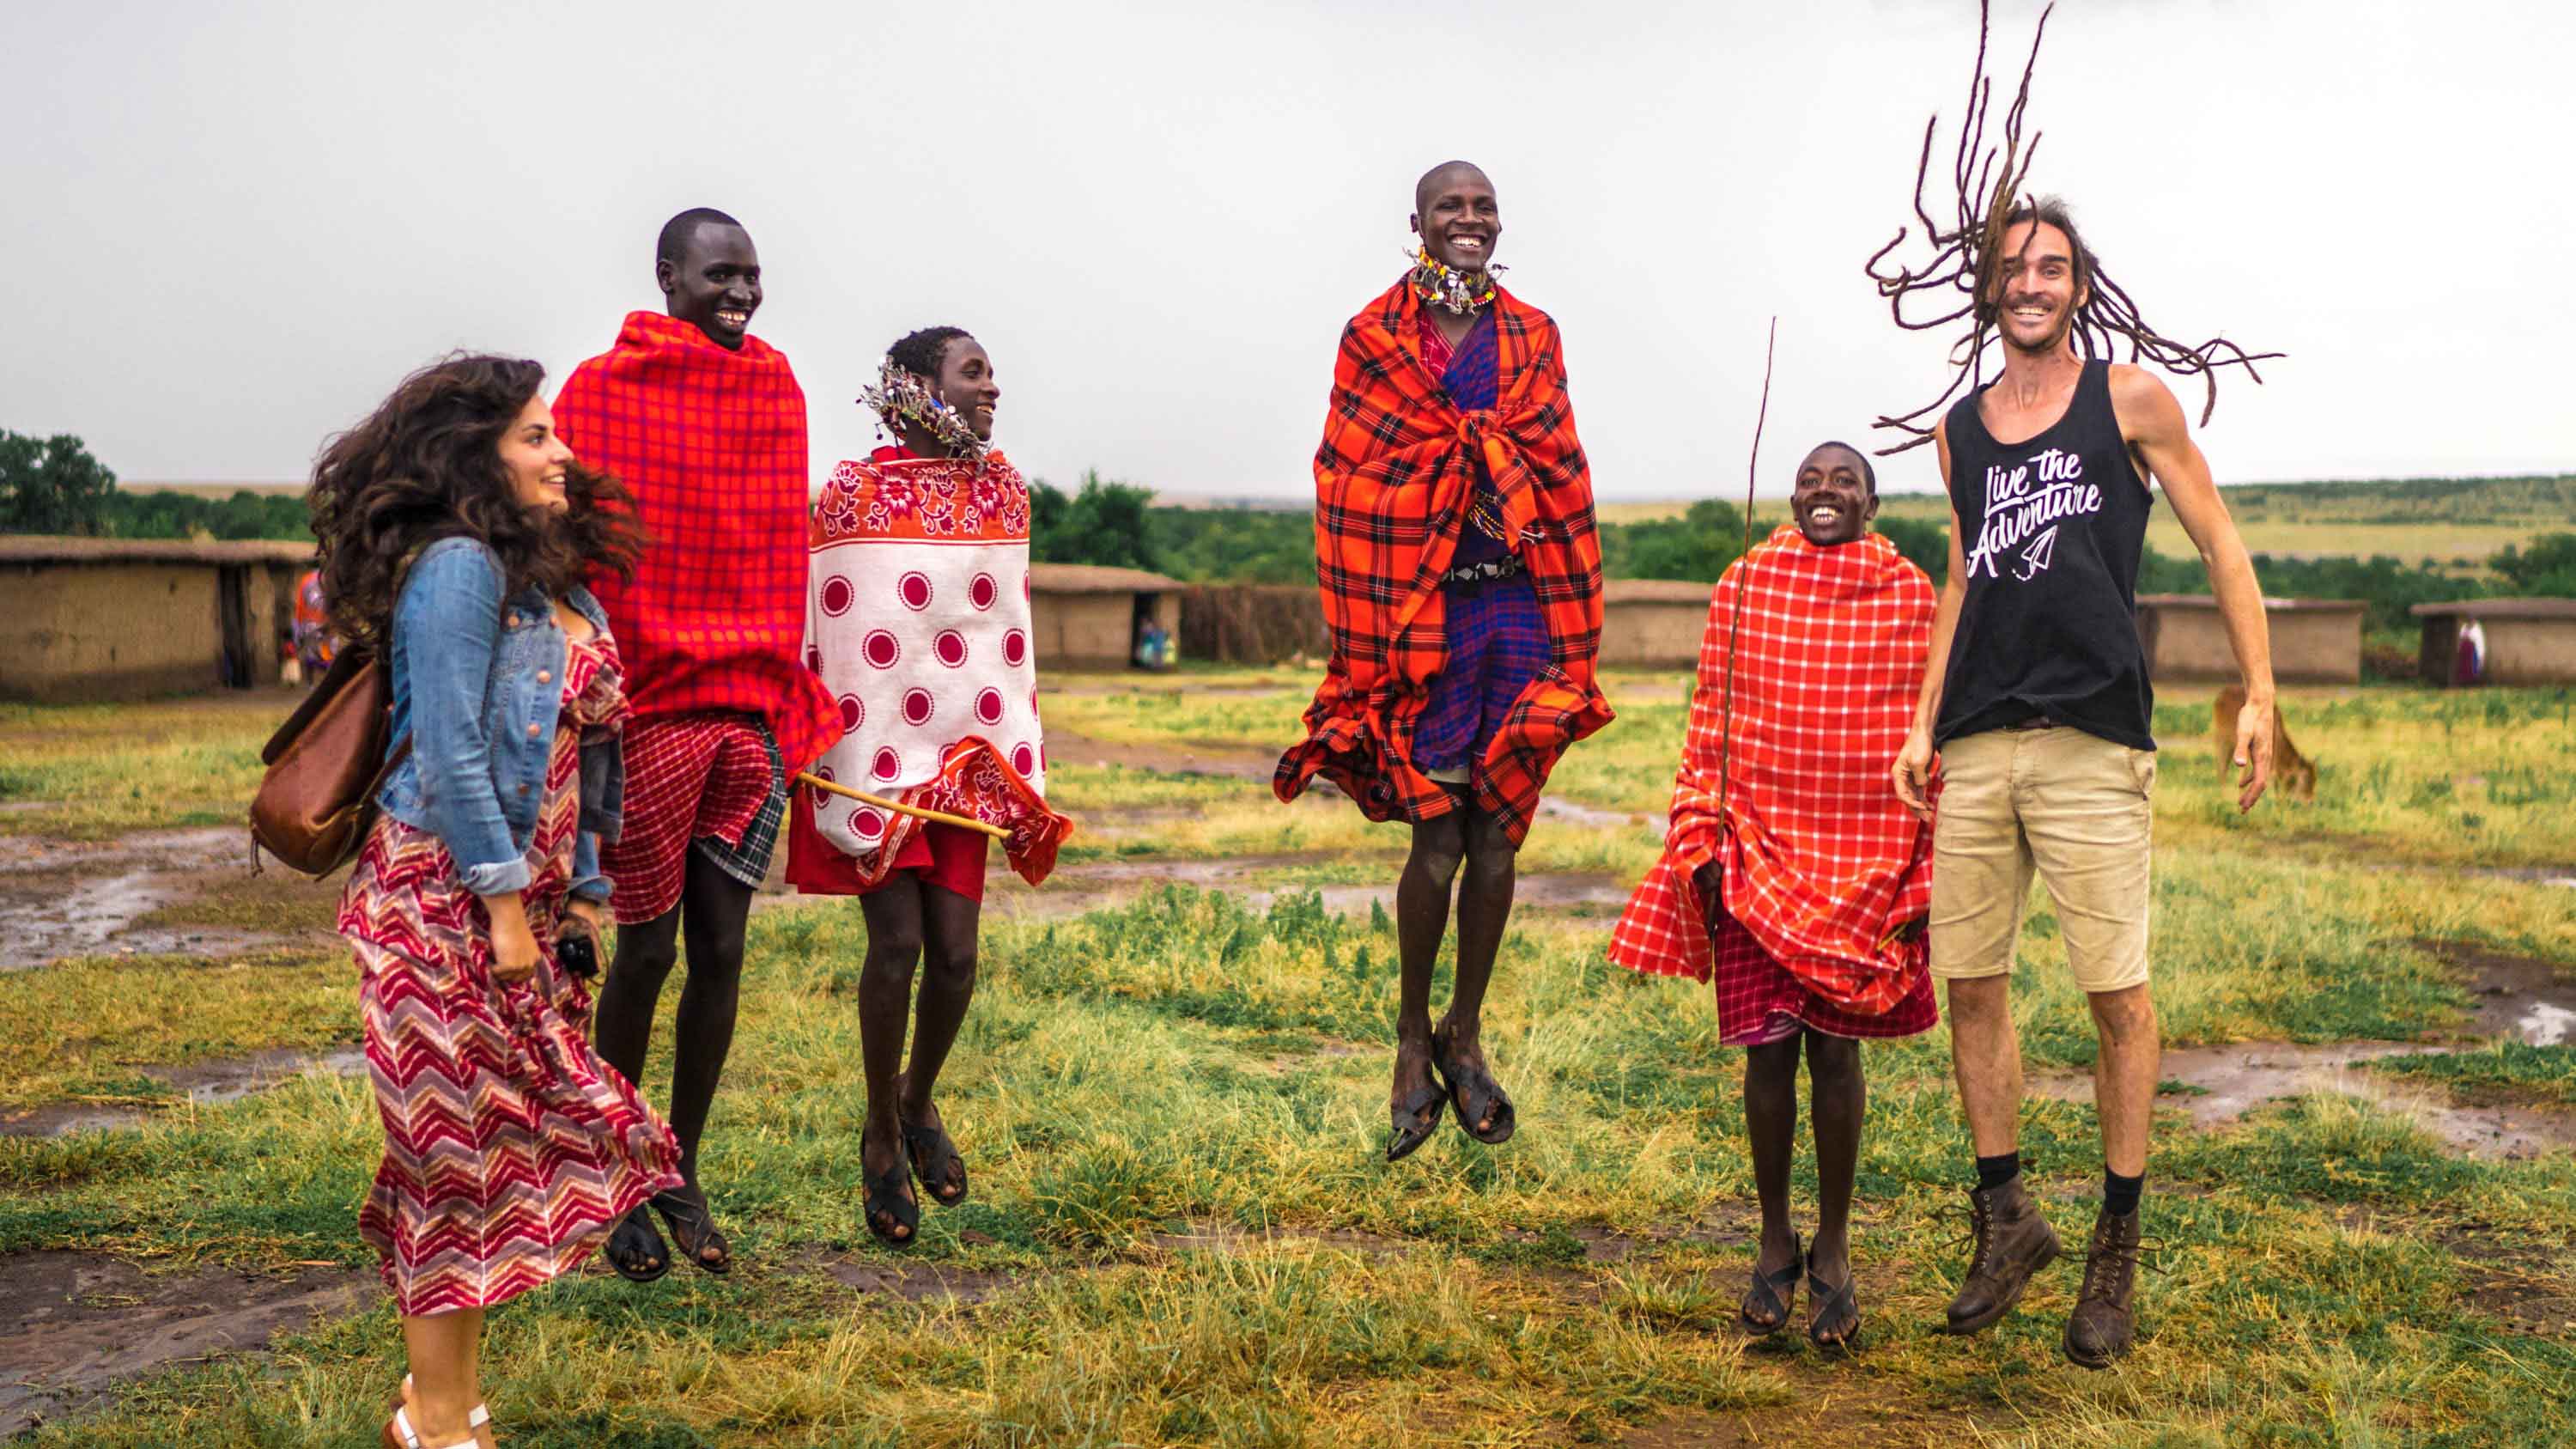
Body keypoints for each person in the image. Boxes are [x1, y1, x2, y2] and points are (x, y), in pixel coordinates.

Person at [1887, 198, 2277, 1367]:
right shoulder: (1959, 431)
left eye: (2052, 266)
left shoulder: (2129, 400)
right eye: (2013, 267)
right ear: (1990, 289)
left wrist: (2258, 687)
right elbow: (1963, 575)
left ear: (2079, 286)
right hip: (1978, 739)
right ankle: (2006, 1214)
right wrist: (1921, 723)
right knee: (1972, 984)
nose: (2031, 282)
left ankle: (2115, 1246)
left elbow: (2219, 538)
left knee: (2117, 995)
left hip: (2094, 738)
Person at [307, 354, 680, 1449]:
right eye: (533, 436)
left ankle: (448, 1405)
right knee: (448, 1155)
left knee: (480, 1152)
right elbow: (459, 755)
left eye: (552, 432)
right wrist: (509, 909)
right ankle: (437, 1422)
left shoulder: (556, 586)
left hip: (526, 910)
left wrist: (583, 895)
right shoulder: (458, 571)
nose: (559, 451)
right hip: (437, 903)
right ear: (474, 455)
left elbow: (593, 748)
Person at [1276, 161, 1612, 1161]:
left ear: (1498, 220)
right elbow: (1348, 478)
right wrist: (1457, 463)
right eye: (1449, 208)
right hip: (1420, 613)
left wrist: (1489, 463)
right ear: (1415, 222)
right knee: (1436, 839)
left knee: (1498, 834)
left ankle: (1466, 1029)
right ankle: (1411, 1036)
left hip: (1517, 607)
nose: (1469, 220)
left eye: (1482, 207)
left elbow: (1557, 467)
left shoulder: (1534, 335)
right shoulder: (1374, 338)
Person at [551, 207, 841, 1280]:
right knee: (648, 948)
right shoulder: (597, 392)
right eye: (722, 273)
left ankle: (682, 1164)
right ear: (667, 273)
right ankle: (612, 1169)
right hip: (645, 715)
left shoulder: (777, 389)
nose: (743, 292)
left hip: (749, 710)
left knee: (724, 946)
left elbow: (773, 545)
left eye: (755, 275)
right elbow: (576, 548)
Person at [1610, 442, 1937, 1351]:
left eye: (1845, 482)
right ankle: (1772, 1238)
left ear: (1873, 502)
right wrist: (1701, 830)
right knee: (1766, 1056)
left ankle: (1832, 1247)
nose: (1824, 493)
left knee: (1835, 1057)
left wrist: (1924, 861)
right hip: (1756, 848)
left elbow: (1929, 728)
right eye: (1811, 479)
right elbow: (1710, 716)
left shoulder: (1911, 597)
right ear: (1791, 493)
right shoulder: (1745, 584)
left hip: (1862, 858)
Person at [785, 327, 1072, 1246]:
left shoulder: (1004, 489)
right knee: (899, 945)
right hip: (876, 758)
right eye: (975, 372)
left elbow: (1000, 628)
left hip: (970, 754)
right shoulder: (848, 492)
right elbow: (826, 610)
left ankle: (917, 1098)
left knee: (956, 959)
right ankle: (878, 1131)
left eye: (992, 370)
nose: (994, 387)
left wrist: (1009, 739)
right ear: (917, 388)